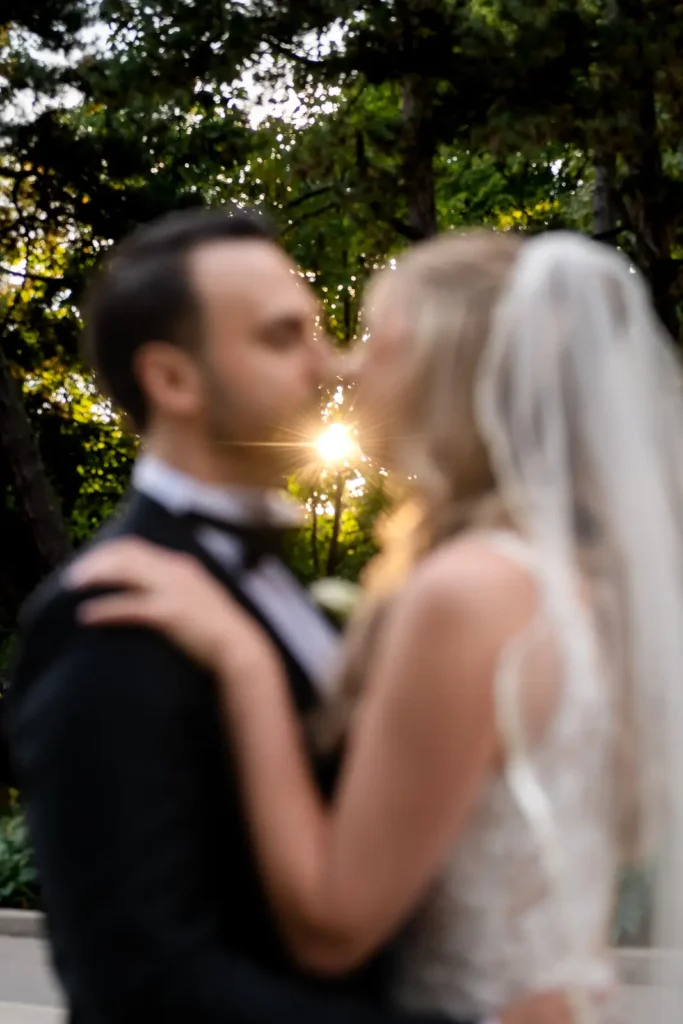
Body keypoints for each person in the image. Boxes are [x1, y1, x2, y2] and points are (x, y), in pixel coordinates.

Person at [66, 230, 683, 1023]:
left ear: (444, 367)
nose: (341, 366)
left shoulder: (467, 592)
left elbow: (332, 927)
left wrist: (244, 661)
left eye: (373, 339)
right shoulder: (566, 584)